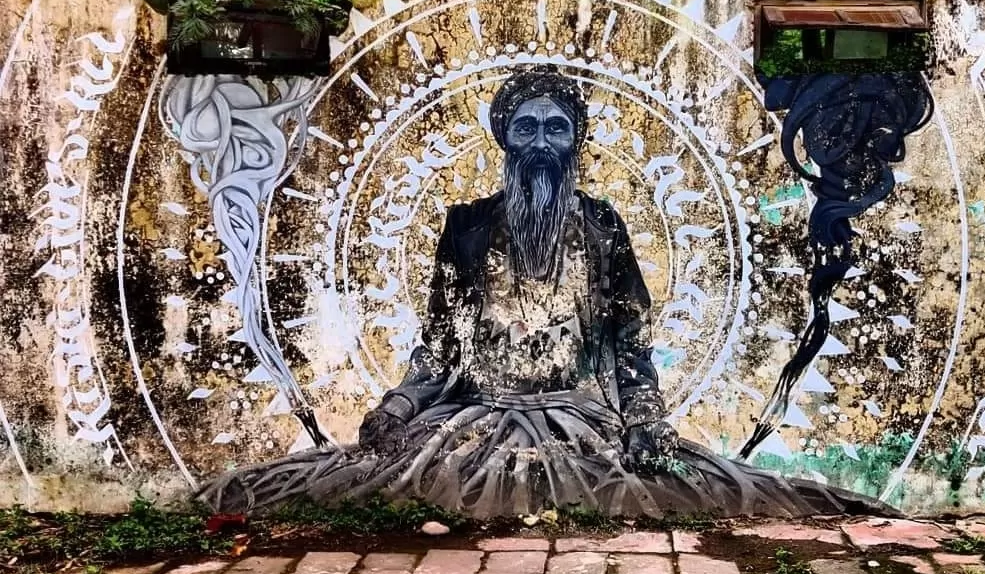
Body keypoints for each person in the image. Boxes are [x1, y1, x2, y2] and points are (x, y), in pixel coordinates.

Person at [200, 67, 891, 519]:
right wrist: (400, 403)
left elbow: (629, 344)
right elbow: (441, 347)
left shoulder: (602, 225)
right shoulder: (467, 226)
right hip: (478, 413)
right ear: (506, 138)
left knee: (680, 488)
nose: (539, 141)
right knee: (370, 488)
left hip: (577, 417)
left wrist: (645, 417)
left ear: (574, 142)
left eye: (554, 128)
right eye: (525, 127)